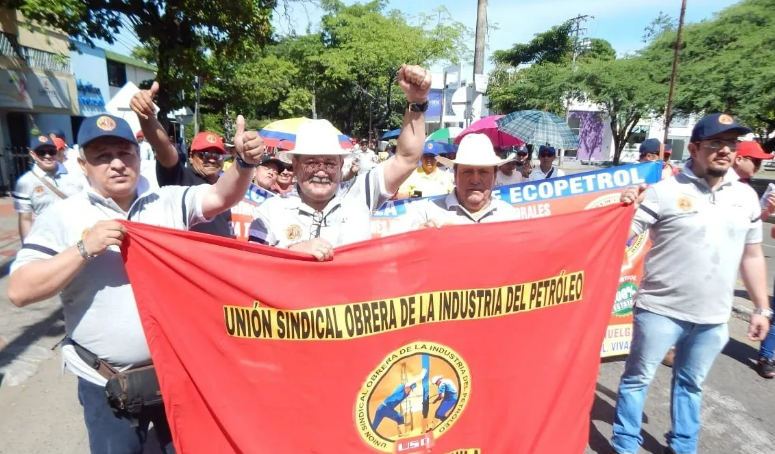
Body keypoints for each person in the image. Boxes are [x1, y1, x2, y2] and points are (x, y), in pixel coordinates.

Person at [7, 113, 263, 454]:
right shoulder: (64, 215)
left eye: (124, 153)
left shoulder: (167, 201)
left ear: (136, 156)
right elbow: (19, 291)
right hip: (106, 383)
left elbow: (220, 197)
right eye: (102, 156)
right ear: (83, 164)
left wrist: (244, 163)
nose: (116, 164)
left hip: (176, 375)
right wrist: (84, 248)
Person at [612, 113, 771, 454]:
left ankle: (684, 445)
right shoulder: (662, 192)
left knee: (691, 384)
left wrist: (762, 308)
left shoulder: (744, 198)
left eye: (731, 144)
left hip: (713, 318)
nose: (725, 151)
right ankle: (625, 444)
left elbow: (752, 255)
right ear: (696, 148)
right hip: (659, 312)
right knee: (637, 379)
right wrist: (623, 205)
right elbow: (618, 236)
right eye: (716, 143)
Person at [247, 64, 431, 260]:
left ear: (341, 166)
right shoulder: (270, 211)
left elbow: (406, 158)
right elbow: (252, 267)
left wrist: (417, 102)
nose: (321, 171)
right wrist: (291, 253)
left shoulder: (361, 195)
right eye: (311, 162)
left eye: (329, 163)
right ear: (296, 165)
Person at [131, 82, 235, 238]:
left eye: (217, 155)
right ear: (192, 157)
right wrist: (147, 118)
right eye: (205, 154)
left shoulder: (222, 190)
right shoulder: (180, 178)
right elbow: (164, 149)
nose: (212, 160)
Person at [408, 134, 518, 228]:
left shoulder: (510, 217)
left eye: (483, 172)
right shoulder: (426, 213)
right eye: (467, 172)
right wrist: (418, 239)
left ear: (494, 176)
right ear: (455, 175)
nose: (475, 180)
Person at [12, 135, 83, 241]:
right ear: (33, 154)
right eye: (41, 152)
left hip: (78, 233)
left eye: (51, 151)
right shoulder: (25, 182)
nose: (47, 156)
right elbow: (25, 219)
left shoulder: (74, 173)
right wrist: (27, 247)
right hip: (48, 238)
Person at [371, 369, 427, 436]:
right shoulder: (401, 387)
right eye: (409, 388)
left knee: (400, 418)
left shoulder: (406, 394)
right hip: (383, 408)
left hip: (386, 409)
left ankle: (402, 434)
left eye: (411, 389)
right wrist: (421, 375)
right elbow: (412, 381)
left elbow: (415, 394)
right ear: (408, 386)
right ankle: (402, 434)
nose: (409, 390)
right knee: (374, 427)